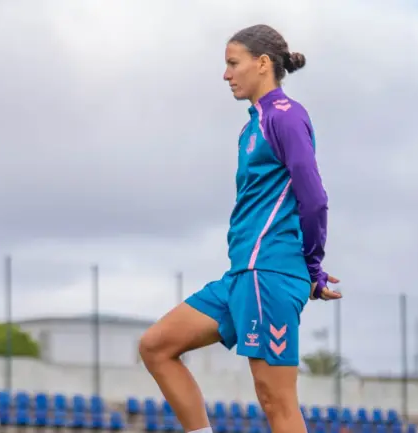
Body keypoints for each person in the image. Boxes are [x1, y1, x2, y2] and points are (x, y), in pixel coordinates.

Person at [139, 24, 341, 433]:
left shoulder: (286, 117)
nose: (226, 74)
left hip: (269, 274)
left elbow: (314, 198)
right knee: (157, 346)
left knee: (277, 403)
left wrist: (313, 268)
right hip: (241, 276)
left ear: (262, 64)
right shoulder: (252, 126)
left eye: (233, 64)